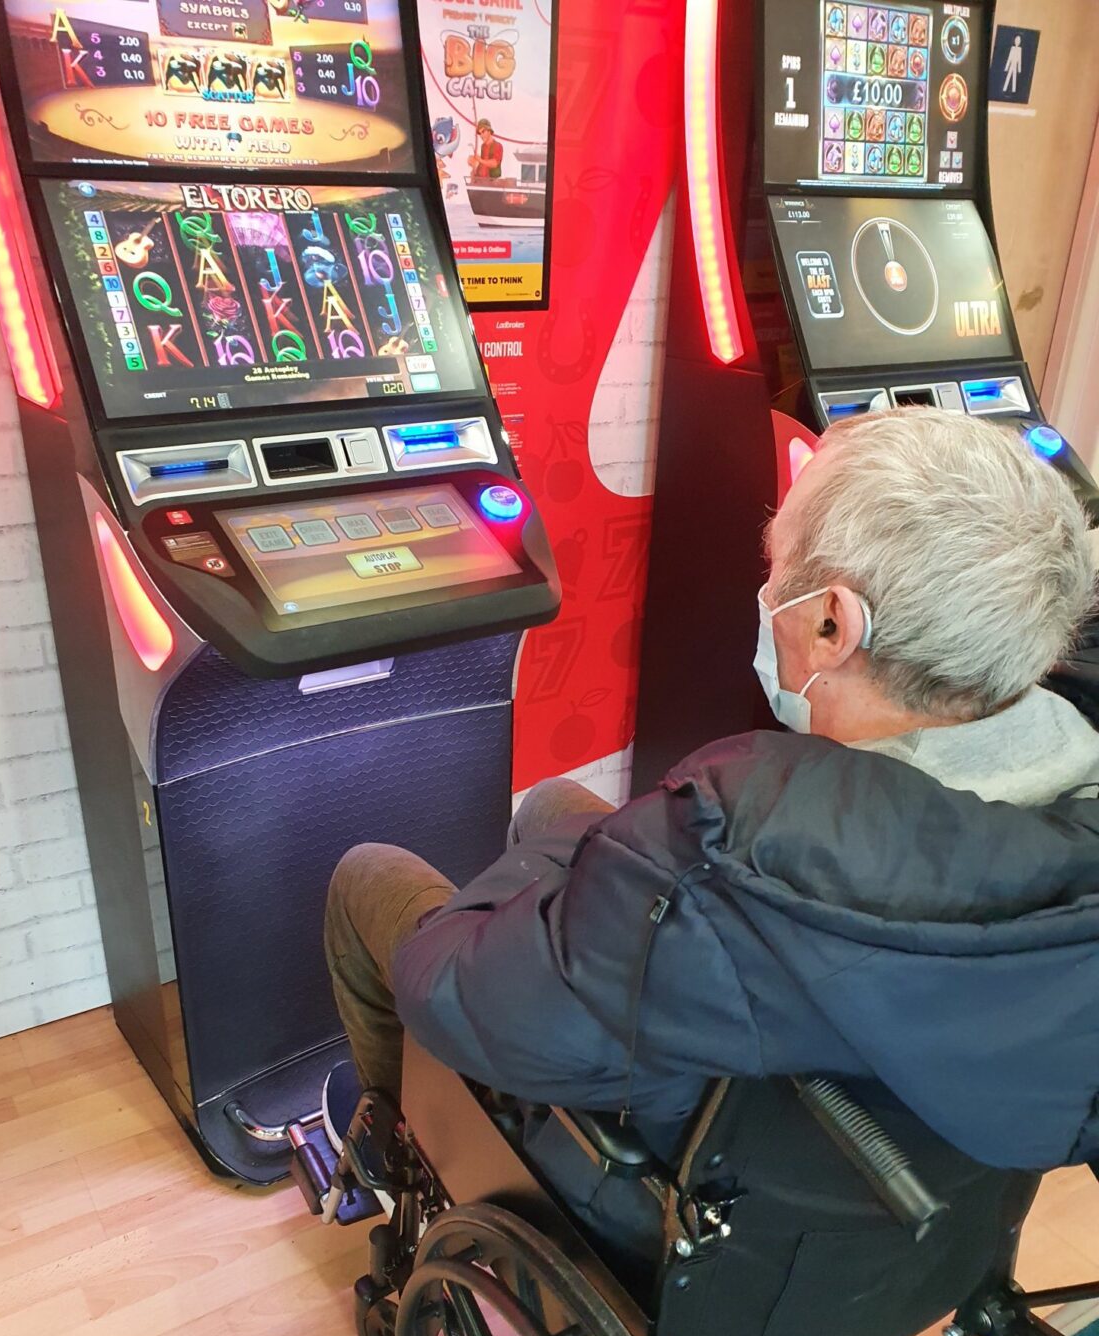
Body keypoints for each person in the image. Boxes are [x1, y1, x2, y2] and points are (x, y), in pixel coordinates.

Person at [322, 409, 1099, 1211]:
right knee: (552, 804)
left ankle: (402, 1153)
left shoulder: (726, 853)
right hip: (896, 1217)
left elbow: (449, 989)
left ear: (832, 622)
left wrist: (554, 874)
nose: (769, 594)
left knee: (367, 877)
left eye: (780, 572)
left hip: (666, 1208)